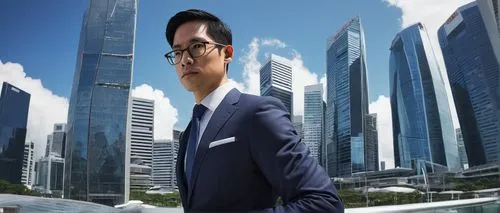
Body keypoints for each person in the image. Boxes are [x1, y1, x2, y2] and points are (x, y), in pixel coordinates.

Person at [165, 9, 344, 213]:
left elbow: (324, 204)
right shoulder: (188, 134)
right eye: (177, 52)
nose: (185, 60)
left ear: (227, 54)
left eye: (197, 46)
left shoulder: (257, 114)